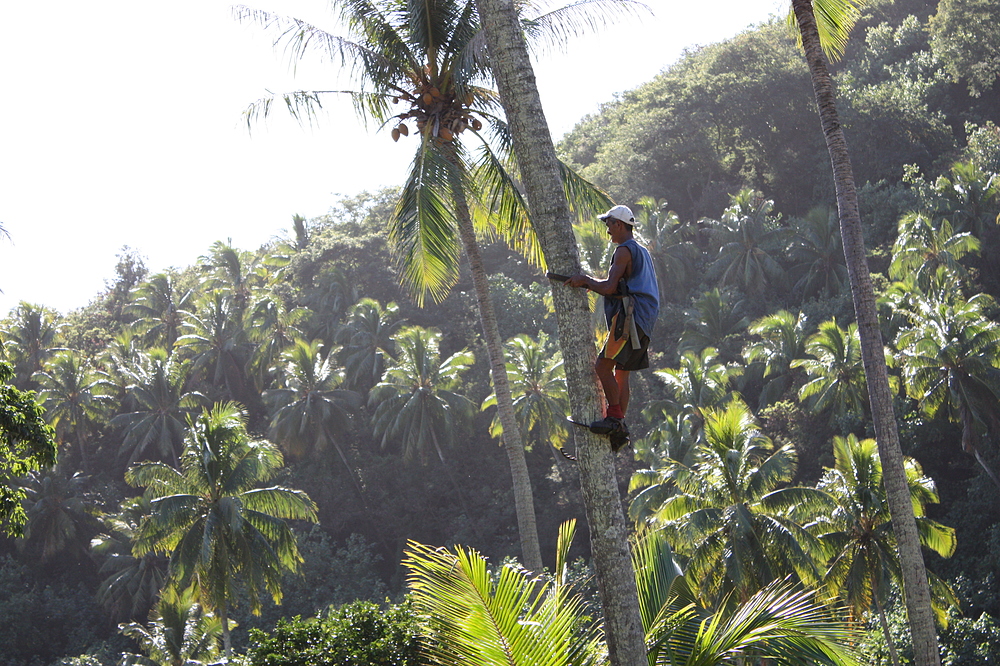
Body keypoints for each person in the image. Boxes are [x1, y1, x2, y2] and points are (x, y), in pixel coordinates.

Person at [566, 205, 659, 450]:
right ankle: (619, 426)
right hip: (645, 319)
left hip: (631, 317)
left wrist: (584, 280)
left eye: (609, 224)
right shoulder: (641, 251)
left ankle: (615, 419)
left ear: (619, 224)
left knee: (602, 366)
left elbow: (608, 287)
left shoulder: (623, 251)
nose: (607, 230)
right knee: (621, 371)